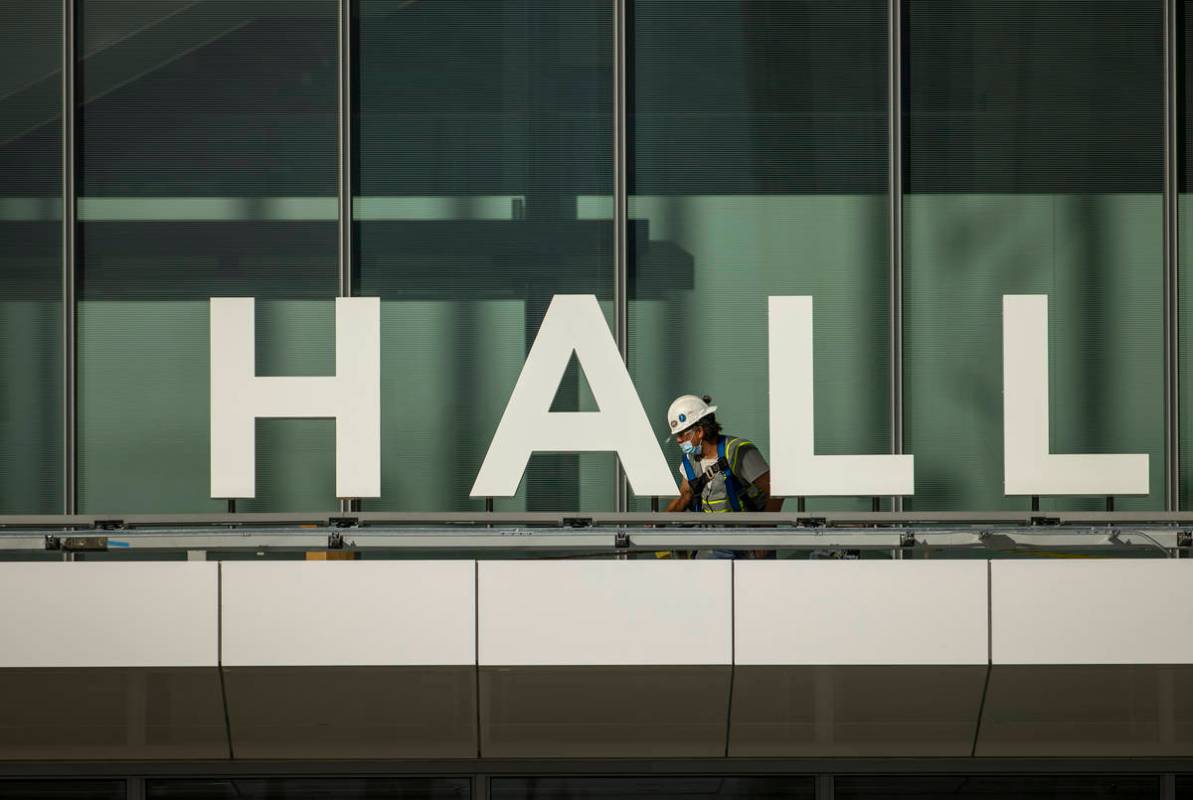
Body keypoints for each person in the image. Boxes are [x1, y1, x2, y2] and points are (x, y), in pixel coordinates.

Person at [664, 394, 782, 515]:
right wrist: (657, 522)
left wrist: (766, 527)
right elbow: (685, 496)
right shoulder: (690, 460)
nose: (678, 440)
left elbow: (775, 492)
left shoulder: (739, 452)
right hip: (711, 532)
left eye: (682, 434)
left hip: (746, 531)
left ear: (699, 432)